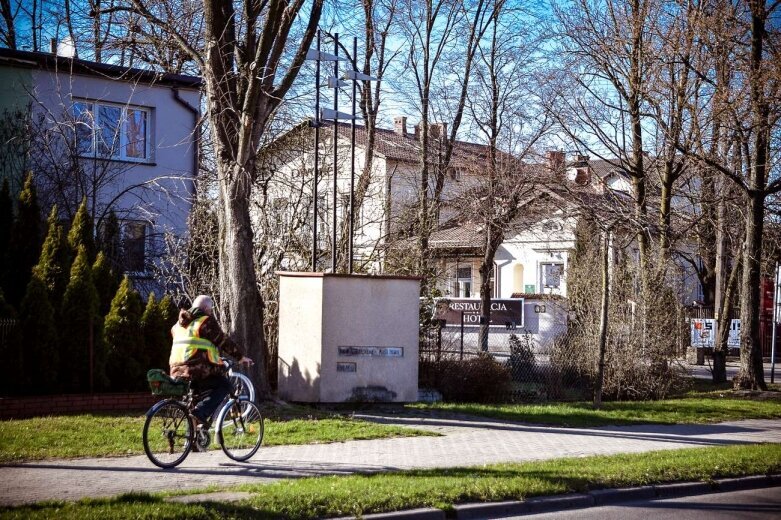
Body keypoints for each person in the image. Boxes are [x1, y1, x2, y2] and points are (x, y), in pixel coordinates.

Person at [169, 295, 253, 426]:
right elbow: (223, 341)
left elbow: (193, 346)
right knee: (225, 385)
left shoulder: (177, 325)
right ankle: (200, 413)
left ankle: (193, 441)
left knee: (195, 401)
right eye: (211, 309)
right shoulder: (205, 321)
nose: (211, 312)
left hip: (176, 370)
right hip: (197, 370)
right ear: (206, 308)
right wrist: (240, 357)